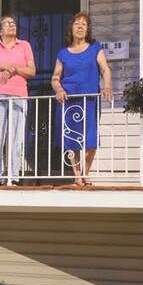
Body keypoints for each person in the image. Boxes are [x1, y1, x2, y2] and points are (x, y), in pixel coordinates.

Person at [52, 11, 112, 187]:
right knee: (72, 140)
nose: (80, 26)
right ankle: (77, 175)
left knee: (90, 139)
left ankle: (86, 172)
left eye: (84, 24)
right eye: (77, 23)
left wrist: (107, 86)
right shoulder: (63, 53)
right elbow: (55, 77)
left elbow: (105, 69)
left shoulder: (95, 48)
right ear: (71, 28)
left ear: (88, 30)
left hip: (89, 100)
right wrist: (59, 89)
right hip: (68, 100)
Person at [0, 14, 36, 184]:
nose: (11, 25)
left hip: (18, 95)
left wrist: (14, 69)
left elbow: (32, 71)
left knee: (16, 138)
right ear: (0, 30)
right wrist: (1, 67)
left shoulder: (24, 45)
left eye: (13, 23)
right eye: (7, 23)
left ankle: (14, 175)